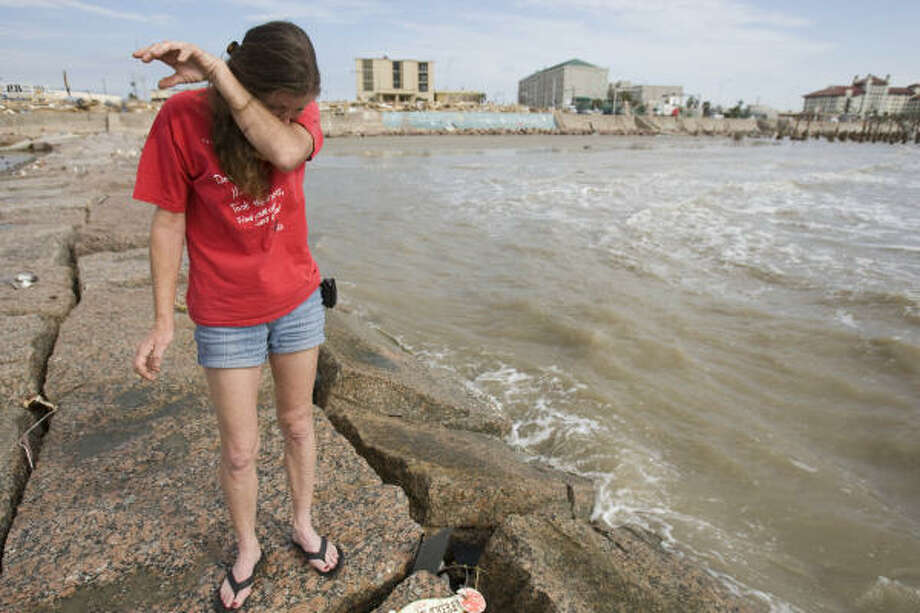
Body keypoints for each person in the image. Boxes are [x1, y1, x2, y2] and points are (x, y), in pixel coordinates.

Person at [131, 21, 342, 611]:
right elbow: (168, 220)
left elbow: (284, 150)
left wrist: (222, 77)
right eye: (281, 104)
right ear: (251, 80)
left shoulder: (300, 114)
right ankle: (247, 545)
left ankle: (302, 524)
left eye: (298, 105)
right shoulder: (180, 121)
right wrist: (162, 319)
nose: (293, 113)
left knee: (299, 424)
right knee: (240, 450)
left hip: (297, 299)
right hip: (225, 314)